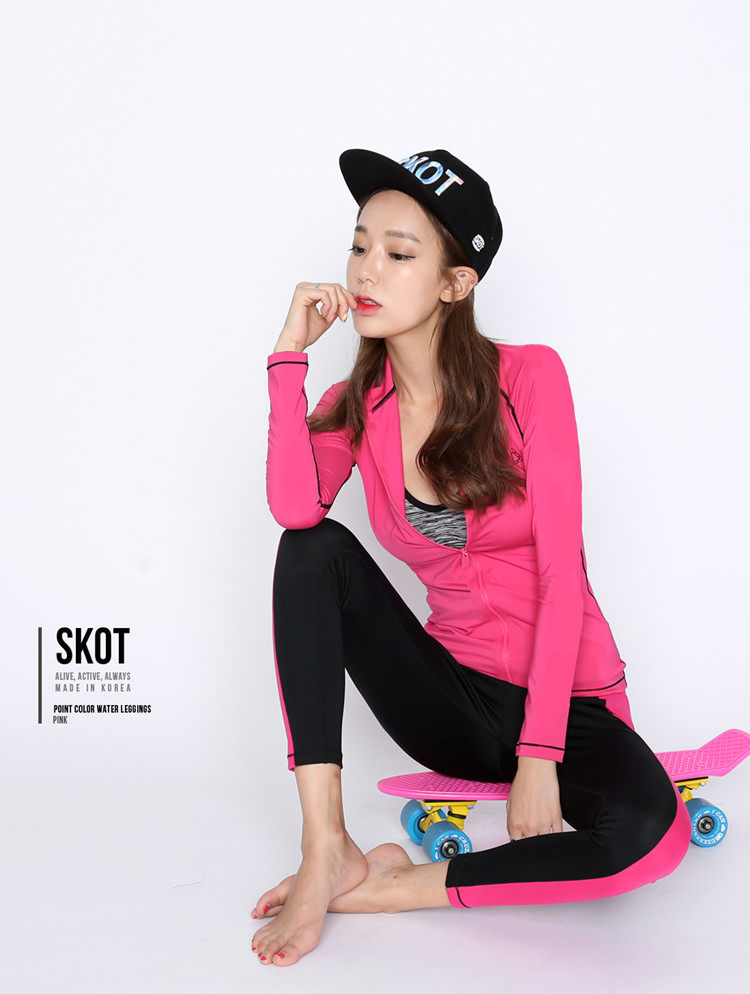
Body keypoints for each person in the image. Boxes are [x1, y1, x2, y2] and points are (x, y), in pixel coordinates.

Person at [252, 148, 692, 967]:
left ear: (456, 283)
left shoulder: (530, 379)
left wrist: (541, 756)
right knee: (311, 551)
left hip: (570, 705)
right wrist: (288, 357)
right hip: (453, 698)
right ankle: (327, 846)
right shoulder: (358, 404)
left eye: (399, 253)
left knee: (650, 835)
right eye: (359, 245)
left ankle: (392, 887)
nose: (365, 270)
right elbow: (295, 511)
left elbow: (563, 576)